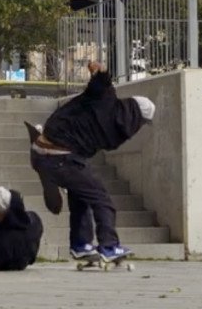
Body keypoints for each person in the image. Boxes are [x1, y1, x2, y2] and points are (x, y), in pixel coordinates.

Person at [26, 61, 155, 263]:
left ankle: (80, 245)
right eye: (140, 122)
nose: (137, 127)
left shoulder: (117, 127)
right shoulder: (106, 99)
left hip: (51, 153)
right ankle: (109, 246)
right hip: (58, 156)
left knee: (81, 194)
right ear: (134, 115)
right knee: (102, 199)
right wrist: (101, 71)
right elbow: (101, 84)